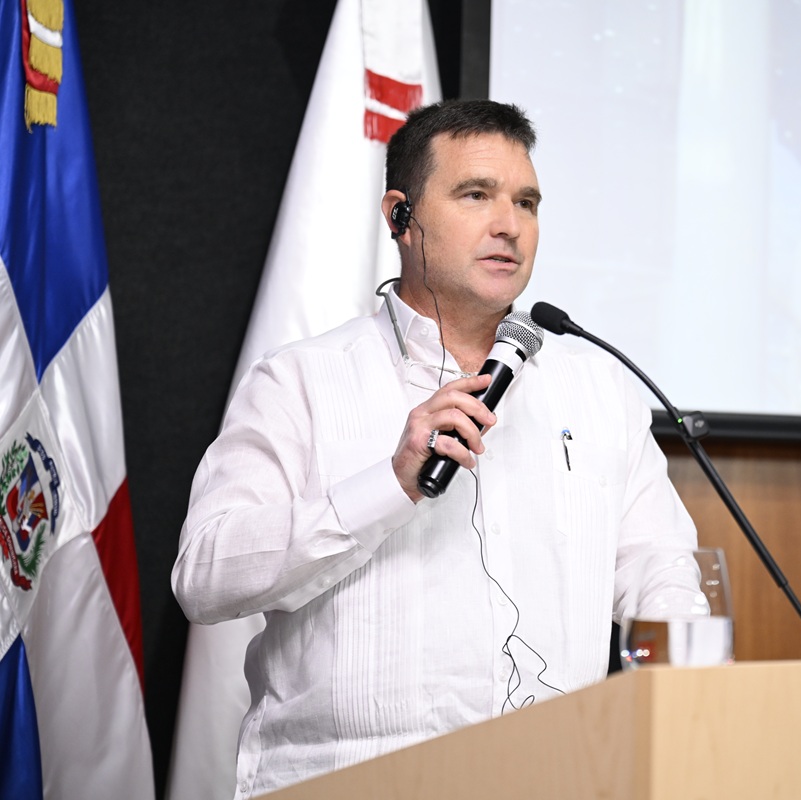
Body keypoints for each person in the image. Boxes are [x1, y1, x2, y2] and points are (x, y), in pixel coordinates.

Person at [172, 99, 698, 797]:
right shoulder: (300, 381)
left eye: (526, 202)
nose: (509, 225)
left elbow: (660, 570)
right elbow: (205, 577)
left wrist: (690, 693)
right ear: (401, 217)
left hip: (555, 778)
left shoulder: (599, 390)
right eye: (476, 195)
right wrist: (390, 484)